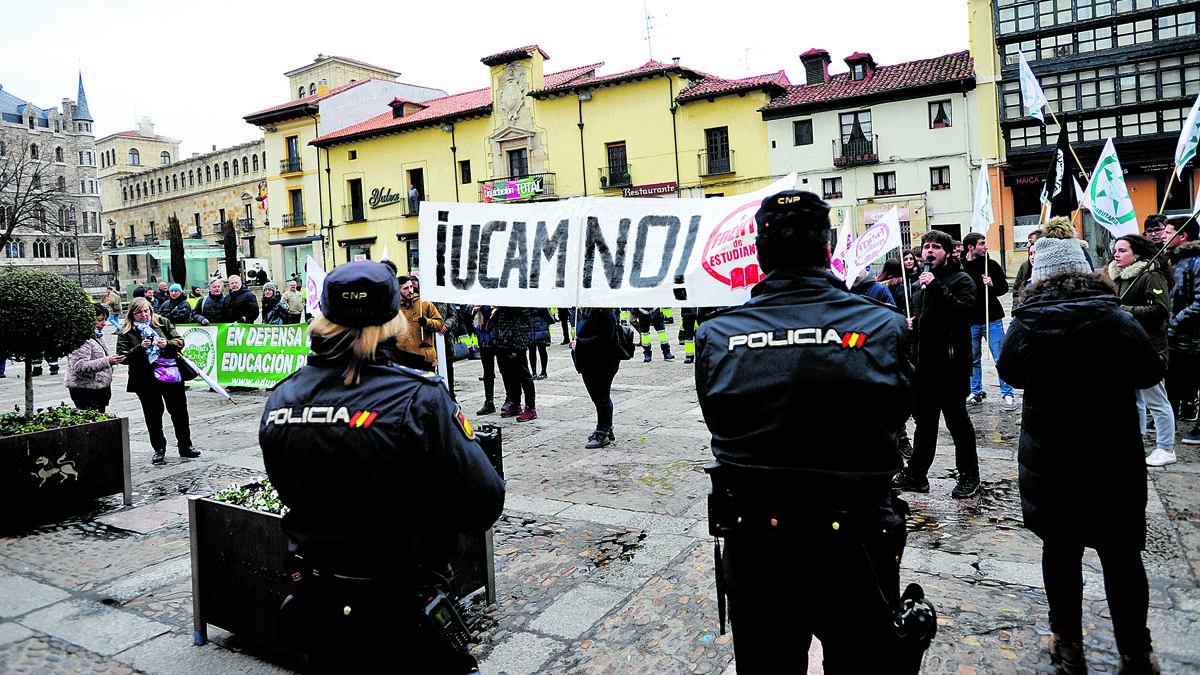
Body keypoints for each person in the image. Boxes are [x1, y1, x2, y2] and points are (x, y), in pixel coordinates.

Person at [695, 191, 923, 673]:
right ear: (827, 247)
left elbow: (719, 420)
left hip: (759, 546)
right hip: (856, 543)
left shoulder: (717, 334)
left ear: (759, 252)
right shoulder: (881, 326)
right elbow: (901, 414)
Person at [260, 260, 504, 674]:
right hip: (404, 609)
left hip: (319, 609)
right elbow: (483, 503)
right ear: (392, 319)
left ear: (323, 317)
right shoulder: (421, 398)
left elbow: (289, 488)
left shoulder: (282, 399)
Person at [997, 245, 1164, 675]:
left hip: (1050, 459)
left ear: (1042, 276)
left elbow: (1010, 372)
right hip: (1112, 456)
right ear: (1086, 272)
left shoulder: (1027, 321)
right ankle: (1135, 652)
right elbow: (1150, 373)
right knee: (1122, 554)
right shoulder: (1117, 319)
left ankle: (1067, 643)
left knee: (1061, 549)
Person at [893, 229, 981, 499]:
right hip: (924, 365)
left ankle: (969, 476)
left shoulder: (960, 279)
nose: (929, 252)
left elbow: (963, 312)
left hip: (952, 364)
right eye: (926, 247)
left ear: (947, 252)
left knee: (957, 423)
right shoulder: (918, 286)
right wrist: (911, 327)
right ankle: (917, 475)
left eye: (935, 247)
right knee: (925, 423)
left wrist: (936, 286)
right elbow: (926, 320)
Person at [1104, 234, 1176, 467]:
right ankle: (1135, 440)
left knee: (1157, 400)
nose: (1117, 254)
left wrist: (1122, 309)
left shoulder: (1151, 276)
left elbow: (1160, 311)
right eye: (1115, 250)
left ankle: (1166, 447)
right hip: (1126, 347)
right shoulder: (1119, 277)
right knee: (1134, 400)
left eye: (1123, 250)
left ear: (1137, 254)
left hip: (1149, 348)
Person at [116, 298, 200, 464]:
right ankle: (159, 448)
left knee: (179, 412)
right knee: (153, 414)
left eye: (146, 311)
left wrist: (166, 344)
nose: (144, 315)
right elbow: (122, 356)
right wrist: (140, 348)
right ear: (132, 313)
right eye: (139, 312)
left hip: (169, 373)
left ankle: (185, 445)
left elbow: (180, 342)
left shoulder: (162, 322)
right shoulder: (125, 330)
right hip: (145, 378)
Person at [961, 232, 1016, 409]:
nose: (985, 246)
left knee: (1000, 356)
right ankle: (975, 391)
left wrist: (992, 284)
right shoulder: (960, 267)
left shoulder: (990, 265)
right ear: (970, 247)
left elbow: (1003, 289)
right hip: (970, 320)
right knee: (973, 358)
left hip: (991, 317)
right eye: (982, 243)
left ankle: (1008, 394)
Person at [1166, 215, 1200, 439]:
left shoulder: (1196, 261)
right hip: (1177, 337)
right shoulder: (1174, 260)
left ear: (1182, 236)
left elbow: (1199, 302)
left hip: (1194, 337)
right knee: (1175, 380)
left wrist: (1175, 321)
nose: (1163, 237)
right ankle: (1171, 420)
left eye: (1168, 233)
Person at [572, 307, 622, 448]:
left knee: (601, 399)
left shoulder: (603, 313)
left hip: (600, 364)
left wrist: (580, 344)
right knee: (602, 398)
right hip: (591, 364)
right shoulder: (590, 313)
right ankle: (607, 428)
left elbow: (605, 339)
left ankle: (602, 432)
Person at [64, 304, 125, 412]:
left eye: (105, 319)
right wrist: (108, 361)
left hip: (99, 388)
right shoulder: (81, 339)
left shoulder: (96, 335)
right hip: (85, 391)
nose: (104, 323)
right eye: (100, 320)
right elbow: (79, 366)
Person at [493, 306, 537, 421]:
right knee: (509, 375)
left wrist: (501, 306)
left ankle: (530, 408)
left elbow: (520, 310)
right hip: (504, 339)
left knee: (523, 374)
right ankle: (515, 404)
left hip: (517, 340)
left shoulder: (520, 299)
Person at [395, 275, 443, 370]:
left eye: (411, 287)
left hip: (424, 358)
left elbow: (440, 324)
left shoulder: (424, 304)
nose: (410, 291)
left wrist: (427, 322)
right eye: (406, 288)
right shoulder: (394, 308)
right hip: (404, 359)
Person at [1012, 229, 1043, 308]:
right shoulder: (1025, 266)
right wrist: (1016, 309)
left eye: (1030, 241)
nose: (1027, 245)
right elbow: (1016, 291)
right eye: (1030, 254)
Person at [528, 308, 552, 380]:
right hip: (531, 329)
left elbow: (544, 311)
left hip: (541, 328)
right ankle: (534, 372)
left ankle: (543, 372)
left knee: (542, 350)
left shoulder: (541, 303)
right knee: (532, 351)